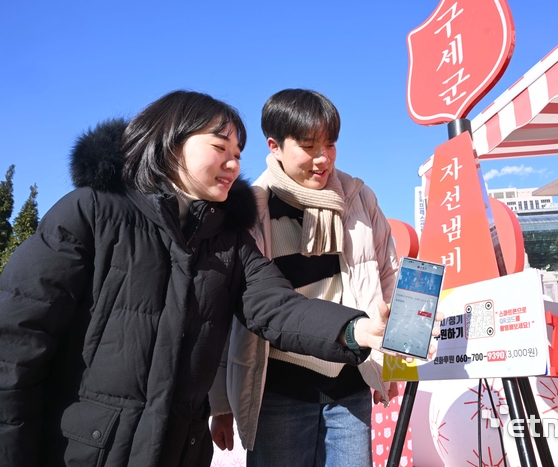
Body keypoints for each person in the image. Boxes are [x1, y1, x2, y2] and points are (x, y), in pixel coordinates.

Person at [0, 90, 404, 467]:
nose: (233, 164)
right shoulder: (91, 212)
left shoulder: (228, 239)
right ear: (170, 143)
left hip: (179, 446)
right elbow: (17, 337)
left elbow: (276, 307)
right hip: (87, 446)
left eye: (237, 153)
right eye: (220, 148)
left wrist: (354, 331)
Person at [209, 89, 399, 467]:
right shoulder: (251, 208)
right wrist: (221, 401)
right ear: (275, 145)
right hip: (277, 391)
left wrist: (388, 367)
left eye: (330, 144)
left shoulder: (359, 198)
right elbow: (224, 309)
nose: (323, 158)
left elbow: (388, 276)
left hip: (351, 382)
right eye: (309, 146)